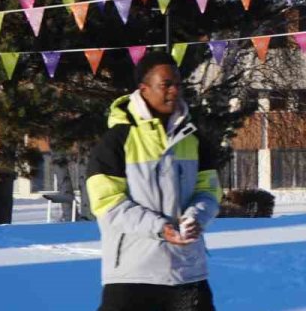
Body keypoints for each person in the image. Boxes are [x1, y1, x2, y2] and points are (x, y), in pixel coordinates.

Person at [86, 52, 221, 311]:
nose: (174, 91)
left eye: (178, 84)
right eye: (166, 84)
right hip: (133, 274)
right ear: (143, 89)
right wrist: (160, 228)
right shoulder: (116, 141)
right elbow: (107, 204)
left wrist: (196, 217)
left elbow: (210, 192)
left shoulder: (193, 139)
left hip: (187, 272)